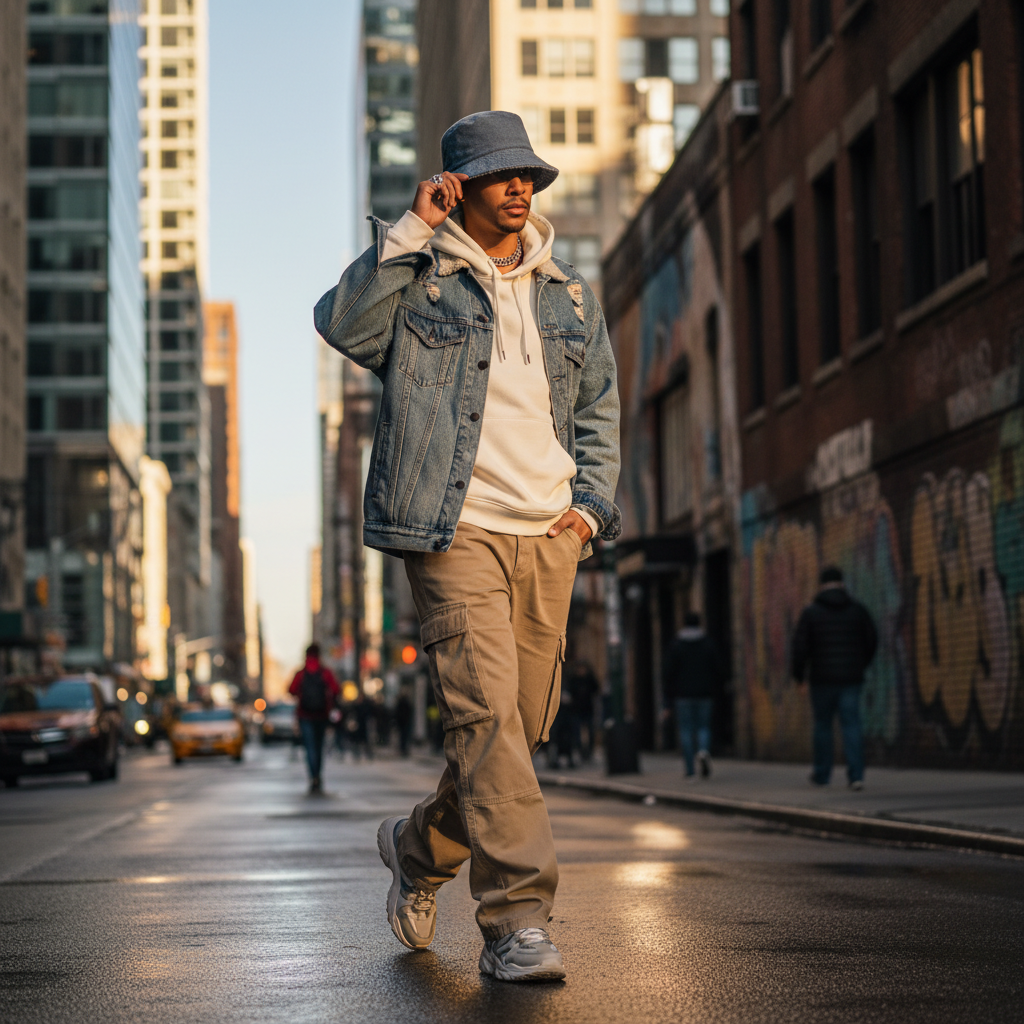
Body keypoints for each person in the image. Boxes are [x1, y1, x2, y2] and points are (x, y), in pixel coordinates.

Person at [314, 110, 620, 982]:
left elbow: (599, 408)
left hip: (549, 533)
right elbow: (342, 323)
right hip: (453, 531)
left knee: (516, 734)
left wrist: (589, 512)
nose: (521, 185)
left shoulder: (568, 296)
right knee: (489, 723)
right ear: (459, 187)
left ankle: (416, 850)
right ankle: (516, 921)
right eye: (499, 175)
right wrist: (412, 230)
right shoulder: (424, 284)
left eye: (527, 173)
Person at [790, 566, 878, 790]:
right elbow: (872, 640)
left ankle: (822, 774)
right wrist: (860, 665)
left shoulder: (811, 612)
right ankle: (856, 775)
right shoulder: (857, 610)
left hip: (821, 679)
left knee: (822, 726)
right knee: (852, 725)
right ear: (841, 583)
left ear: (821, 585)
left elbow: (800, 648)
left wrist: (799, 677)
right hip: (851, 678)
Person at [663, 612, 726, 779]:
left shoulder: (676, 645)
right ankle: (704, 751)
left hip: (682, 695)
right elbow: (718, 668)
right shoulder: (708, 643)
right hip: (705, 693)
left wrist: (667, 701)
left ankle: (690, 770)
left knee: (685, 730)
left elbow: (668, 673)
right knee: (703, 727)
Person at [288, 644, 341, 794]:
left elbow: (291, 690)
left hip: (305, 715)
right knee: (319, 747)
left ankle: (313, 777)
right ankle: (318, 775)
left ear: (306, 655)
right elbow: (336, 689)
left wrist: (301, 695)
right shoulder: (325, 672)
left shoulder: (301, 673)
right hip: (322, 715)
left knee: (310, 748)